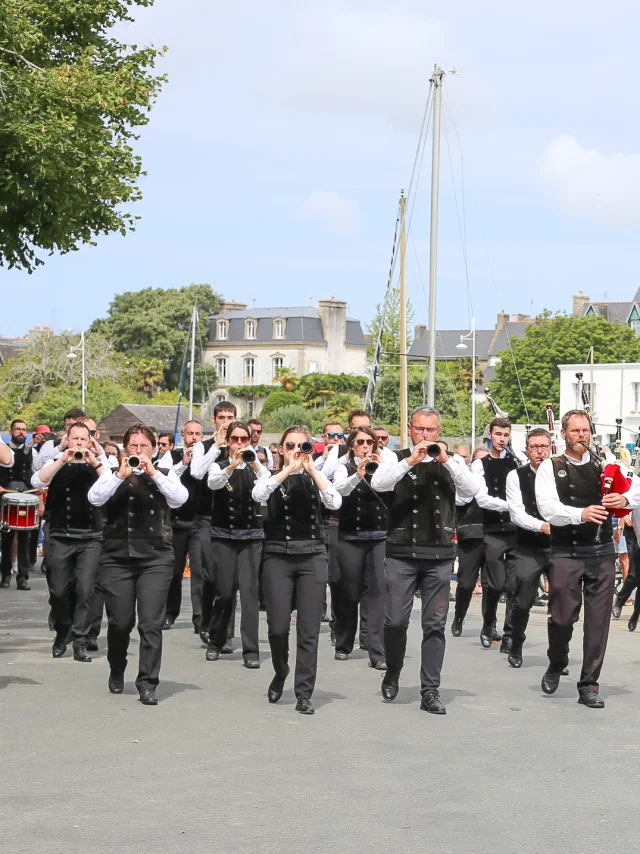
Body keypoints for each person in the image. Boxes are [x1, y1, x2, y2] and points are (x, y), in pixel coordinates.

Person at [371, 406, 479, 715]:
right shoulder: (395, 457)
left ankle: (430, 689)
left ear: (438, 431)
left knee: (434, 624)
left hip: (439, 554)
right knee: (395, 621)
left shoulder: (451, 461)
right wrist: (411, 460)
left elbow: (471, 491)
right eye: (420, 429)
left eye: (431, 430)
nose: (425, 435)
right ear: (410, 428)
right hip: (401, 551)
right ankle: (392, 669)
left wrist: (447, 460)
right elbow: (379, 484)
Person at [536, 410, 640, 708]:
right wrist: (579, 514)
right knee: (562, 618)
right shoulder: (550, 466)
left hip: (601, 552)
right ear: (563, 434)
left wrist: (624, 500)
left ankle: (589, 684)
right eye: (575, 431)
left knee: (598, 622)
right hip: (566, 552)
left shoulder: (606, 464)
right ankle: (557, 661)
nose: (581, 436)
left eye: (585, 431)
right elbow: (547, 508)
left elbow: (637, 488)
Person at [88, 423, 188, 705]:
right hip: (116, 558)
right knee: (120, 622)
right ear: (124, 448)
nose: (138, 451)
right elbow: (95, 498)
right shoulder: (112, 473)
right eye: (133, 446)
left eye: (144, 446)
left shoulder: (164, 474)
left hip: (155, 558)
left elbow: (180, 499)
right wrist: (121, 474)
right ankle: (117, 667)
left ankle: (147, 682)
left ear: (154, 449)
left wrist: (153, 472)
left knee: (150, 623)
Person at [252, 425, 342, 715]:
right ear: (280, 449)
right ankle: (280, 671)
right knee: (277, 628)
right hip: (277, 556)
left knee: (308, 630)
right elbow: (259, 494)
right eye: (289, 446)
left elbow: (335, 501)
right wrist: (287, 470)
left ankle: (304, 692)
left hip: (312, 556)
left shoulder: (317, 477)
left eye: (301, 446)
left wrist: (312, 470)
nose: (295, 451)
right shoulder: (269, 476)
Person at [31, 422, 105, 661]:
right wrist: (63, 458)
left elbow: (113, 484)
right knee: (59, 591)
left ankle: (80, 641)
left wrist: (96, 459)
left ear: (91, 441)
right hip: (61, 535)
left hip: (90, 536)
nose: (80, 443)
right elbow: (37, 481)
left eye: (84, 439)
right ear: (68, 440)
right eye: (76, 439)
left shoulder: (98, 463)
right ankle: (63, 631)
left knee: (85, 590)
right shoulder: (57, 460)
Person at [205, 420, 269, 668]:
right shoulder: (219, 465)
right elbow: (214, 483)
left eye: (244, 439)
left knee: (250, 594)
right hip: (224, 536)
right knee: (224, 592)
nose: (240, 444)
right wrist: (232, 465)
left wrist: (254, 463)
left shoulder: (257, 465)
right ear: (228, 441)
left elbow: (269, 485)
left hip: (251, 537)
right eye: (235, 439)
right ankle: (217, 639)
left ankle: (250, 649)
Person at [332, 427, 387, 670]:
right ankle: (343, 642)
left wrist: (381, 467)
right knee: (350, 592)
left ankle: (377, 651)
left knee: (377, 592)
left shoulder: (383, 465)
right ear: (352, 445)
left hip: (378, 536)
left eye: (370, 442)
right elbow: (339, 491)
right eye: (361, 442)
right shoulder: (343, 467)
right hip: (351, 535)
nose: (366, 446)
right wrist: (359, 474)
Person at [504, 428, 552, 668]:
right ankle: (517, 642)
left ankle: (557, 653)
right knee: (522, 601)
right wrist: (542, 526)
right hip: (528, 547)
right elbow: (517, 514)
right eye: (535, 447)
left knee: (562, 603)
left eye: (544, 446)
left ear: (551, 447)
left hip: (558, 548)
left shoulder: (559, 472)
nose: (540, 452)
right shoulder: (516, 476)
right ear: (527, 450)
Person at [470, 417, 519, 651]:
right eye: (498, 434)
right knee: (495, 584)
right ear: (490, 435)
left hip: (516, 531)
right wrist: (510, 506)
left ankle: (509, 634)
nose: (502, 439)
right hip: (492, 532)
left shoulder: (516, 463)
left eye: (506, 435)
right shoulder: (480, 464)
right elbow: (482, 499)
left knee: (514, 585)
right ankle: (488, 624)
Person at [162, 420, 213, 635]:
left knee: (199, 571)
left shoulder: (208, 458)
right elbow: (163, 477)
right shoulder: (171, 456)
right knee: (173, 571)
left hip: (200, 521)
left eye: (198, 434)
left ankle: (200, 619)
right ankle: (169, 612)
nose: (194, 437)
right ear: (183, 436)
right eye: (190, 433)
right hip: (176, 521)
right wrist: (183, 463)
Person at [451, 447, 489, 637]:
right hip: (470, 535)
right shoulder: (466, 482)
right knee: (466, 583)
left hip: (493, 535)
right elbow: (460, 500)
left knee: (492, 584)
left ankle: (489, 625)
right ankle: (459, 616)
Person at [0, 419, 36, 590]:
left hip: (26, 498)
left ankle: (22, 577)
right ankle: (5, 574)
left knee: (25, 539)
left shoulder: (31, 452)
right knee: (6, 538)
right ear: (10, 432)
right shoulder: (3, 450)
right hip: (5, 497)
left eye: (24, 429)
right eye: (18, 429)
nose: (21, 432)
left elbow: (36, 476)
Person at [612, 515, 638, 622]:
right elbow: (624, 501)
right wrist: (624, 516)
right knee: (634, 574)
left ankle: (636, 613)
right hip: (633, 531)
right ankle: (619, 601)